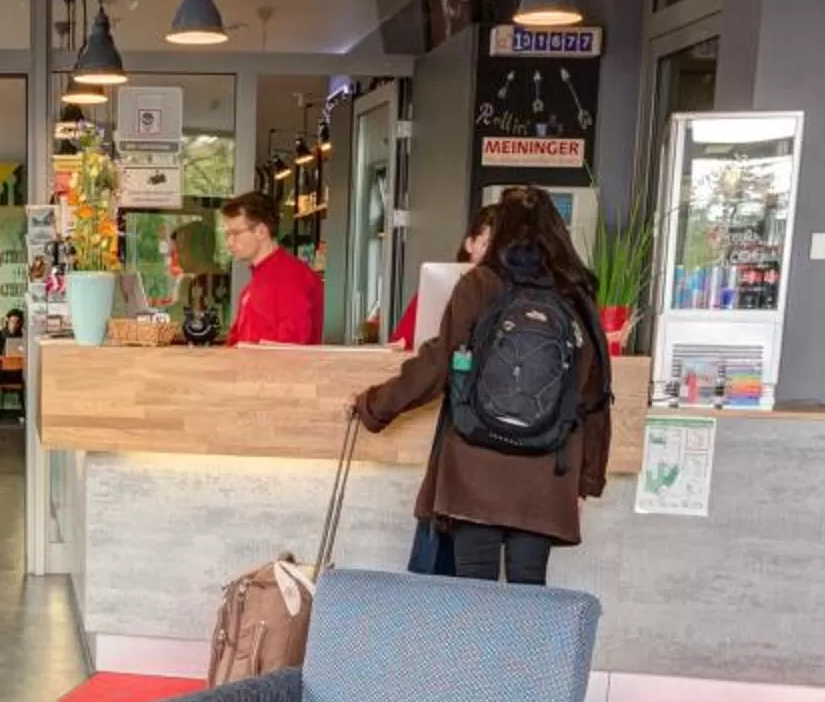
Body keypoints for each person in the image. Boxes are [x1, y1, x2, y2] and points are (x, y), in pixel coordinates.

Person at [354, 186, 612, 586]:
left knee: (473, 591)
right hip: (548, 470)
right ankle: (525, 653)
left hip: (474, 464)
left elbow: (438, 364)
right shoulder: (577, 295)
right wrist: (587, 481)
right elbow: (595, 395)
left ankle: (477, 652)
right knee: (530, 590)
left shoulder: (480, 284)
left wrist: (374, 406)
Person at [219, 191, 324, 345]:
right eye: (228, 234)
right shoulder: (251, 288)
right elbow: (235, 342)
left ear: (261, 231)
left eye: (235, 233)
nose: (229, 242)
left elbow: (290, 349)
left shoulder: (291, 278)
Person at [391, 205, 499, 347]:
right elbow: (401, 341)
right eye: (486, 244)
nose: (492, 255)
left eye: (498, 248)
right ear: (469, 244)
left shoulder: (512, 293)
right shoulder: (438, 285)